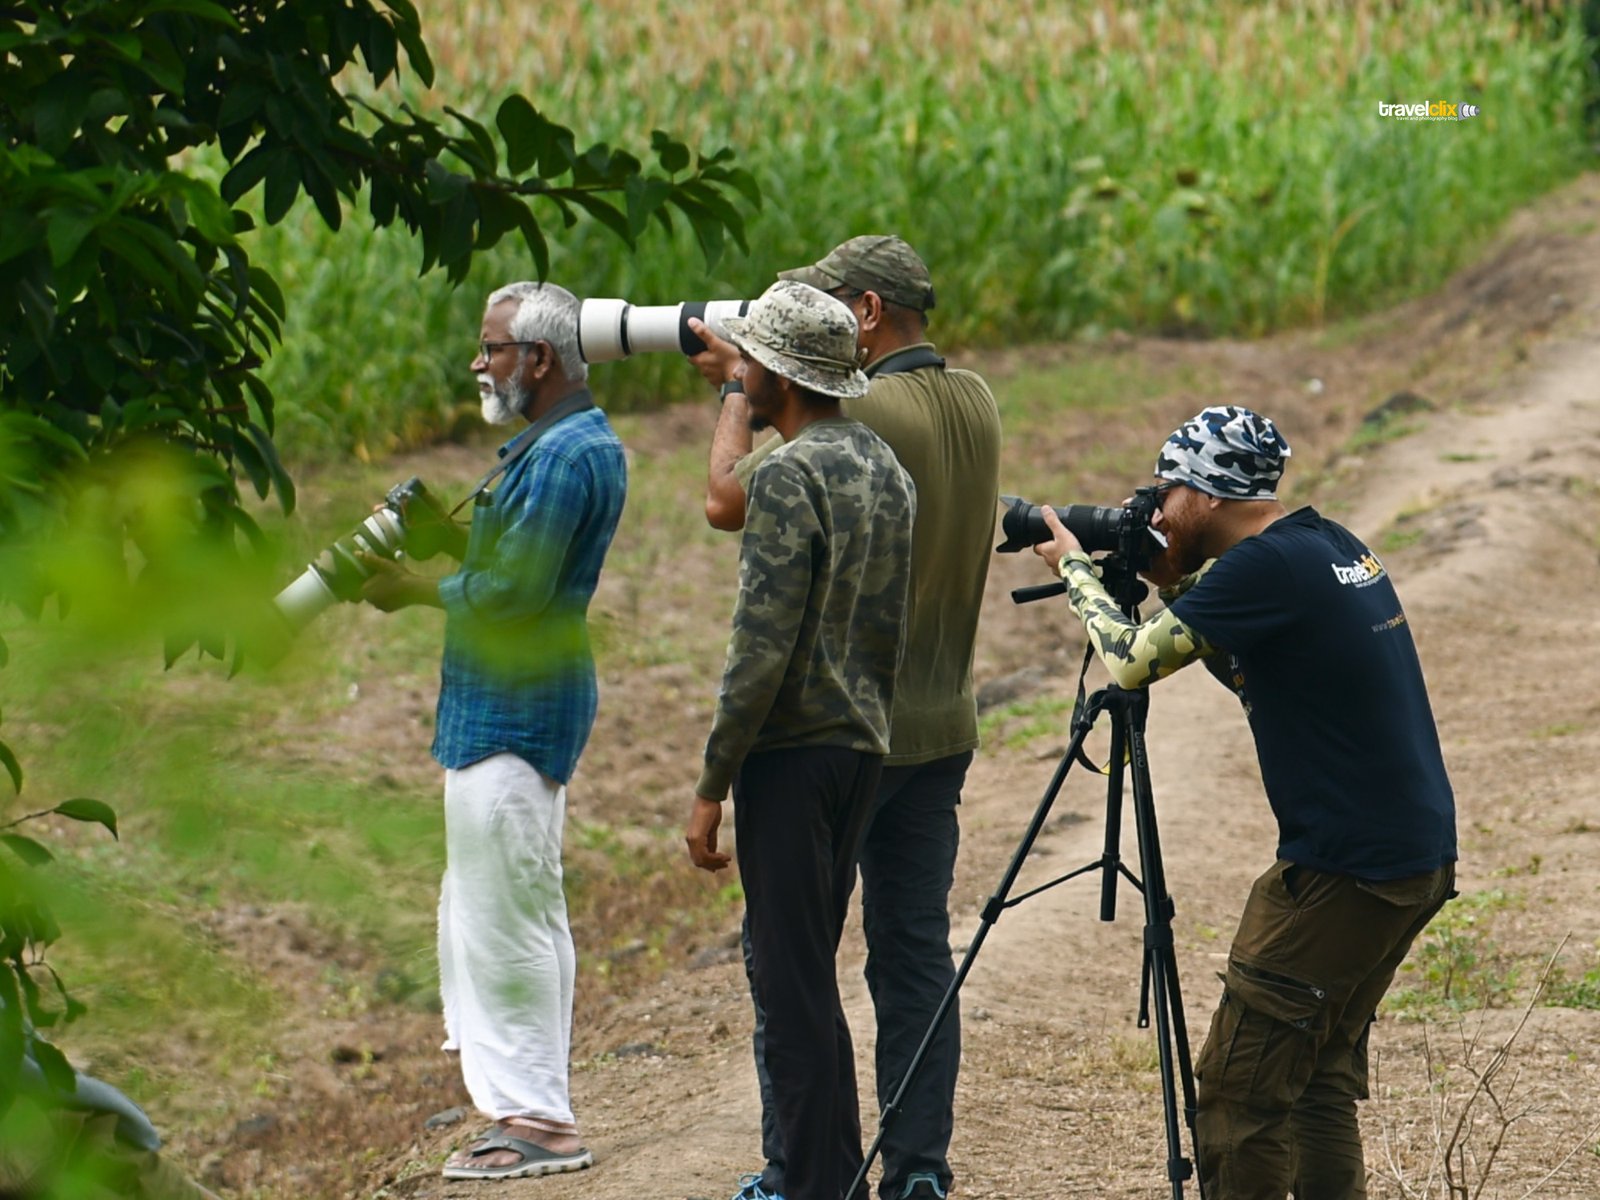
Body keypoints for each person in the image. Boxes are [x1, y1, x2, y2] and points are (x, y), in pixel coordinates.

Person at [1028, 406, 1457, 1200]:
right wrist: (1172, 581)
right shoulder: (1326, 544)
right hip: (1410, 857)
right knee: (1316, 1077)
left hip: (1342, 870)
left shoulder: (1261, 570)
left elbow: (1128, 663)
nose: (1154, 510)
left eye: (1166, 492)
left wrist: (1072, 569)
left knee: (1238, 1093)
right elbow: (1257, 664)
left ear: (1206, 493)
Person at [691, 235, 1001, 1200]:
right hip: (945, 716)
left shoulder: (872, 419)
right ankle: (919, 1169)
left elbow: (728, 504)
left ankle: (803, 1171)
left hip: (847, 728)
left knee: (794, 962)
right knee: (913, 953)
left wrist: (741, 390)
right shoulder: (975, 403)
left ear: (865, 315)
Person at [357, 281, 627, 1182]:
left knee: (506, 917)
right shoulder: (560, 444)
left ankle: (540, 1123)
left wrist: (413, 592)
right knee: (512, 908)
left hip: (512, 710)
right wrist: (447, 543)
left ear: (539, 359)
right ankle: (529, 1106)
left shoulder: (561, 457)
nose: (480, 362)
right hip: (511, 708)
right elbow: (514, 566)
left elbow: (514, 597)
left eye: (492, 346)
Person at [684, 280, 917, 1200]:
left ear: (776, 374)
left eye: (749, 362)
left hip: (789, 759)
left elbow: (759, 649)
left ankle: (813, 1183)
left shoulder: (789, 478)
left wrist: (712, 784)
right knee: (810, 978)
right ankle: (834, 1177)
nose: (738, 372)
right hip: (862, 748)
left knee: (787, 990)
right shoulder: (885, 470)